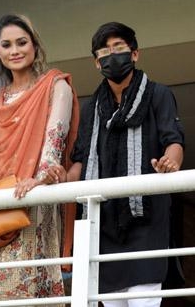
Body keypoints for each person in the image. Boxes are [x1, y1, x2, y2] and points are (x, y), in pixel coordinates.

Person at [0, 14, 79, 303]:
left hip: (34, 198)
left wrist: (40, 177)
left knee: (33, 289)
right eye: (7, 45)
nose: (15, 51)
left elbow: (55, 140)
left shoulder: (54, 86)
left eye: (22, 43)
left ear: (35, 46)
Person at [66, 22, 184, 307]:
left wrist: (171, 162)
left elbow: (174, 140)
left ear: (135, 54)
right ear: (96, 63)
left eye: (119, 48)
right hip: (103, 225)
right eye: (104, 52)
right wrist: (60, 179)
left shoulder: (158, 95)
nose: (111, 56)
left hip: (145, 220)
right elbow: (81, 160)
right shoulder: (92, 107)